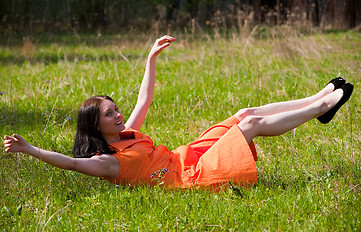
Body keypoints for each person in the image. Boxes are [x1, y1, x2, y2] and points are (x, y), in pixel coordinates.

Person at [3, 35, 354, 191]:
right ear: (96, 127)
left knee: (243, 112)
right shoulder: (108, 161)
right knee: (251, 125)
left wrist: (150, 59)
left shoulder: (127, 135)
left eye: (115, 109)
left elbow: (144, 99)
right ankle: (323, 107)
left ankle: (318, 98)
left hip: (187, 156)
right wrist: (31, 150)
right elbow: (73, 163)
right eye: (110, 115)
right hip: (191, 178)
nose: (119, 115)